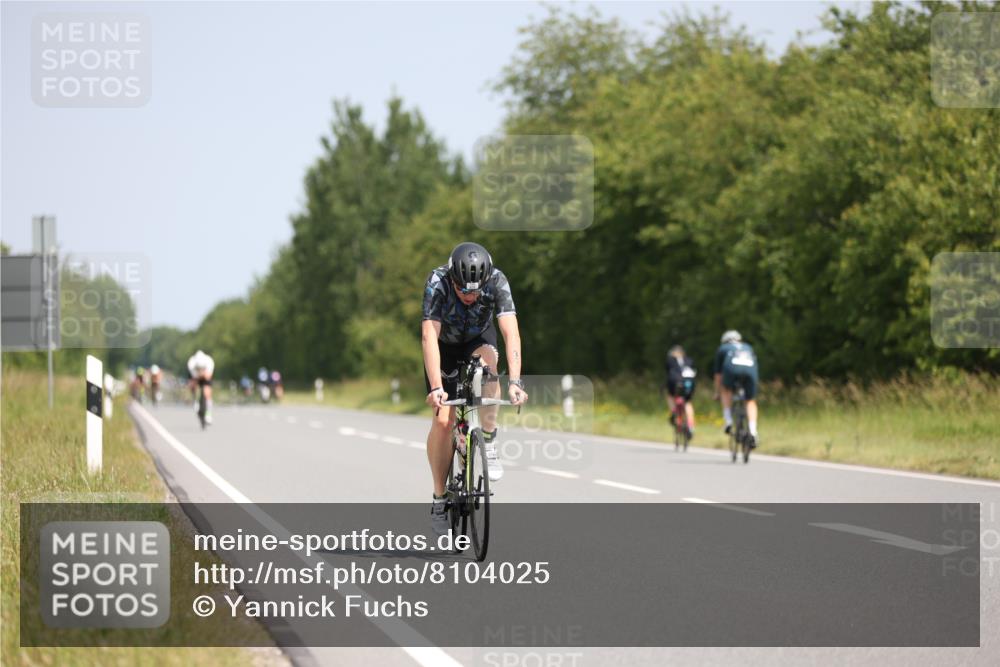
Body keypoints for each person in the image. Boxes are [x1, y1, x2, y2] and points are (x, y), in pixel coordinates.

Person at [422, 242, 528, 536]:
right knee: (443, 420)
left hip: (478, 339)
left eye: (475, 291)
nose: (470, 297)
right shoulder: (437, 283)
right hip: (444, 347)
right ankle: (439, 497)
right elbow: (429, 336)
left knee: (489, 370)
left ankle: (489, 442)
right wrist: (436, 387)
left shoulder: (496, 280)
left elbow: (511, 332)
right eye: (463, 291)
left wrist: (516, 382)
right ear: (453, 280)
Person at [712, 330, 759, 447]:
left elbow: (718, 375)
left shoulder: (723, 348)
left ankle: (728, 421)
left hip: (731, 369)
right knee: (750, 400)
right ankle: (753, 431)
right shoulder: (748, 346)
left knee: (726, 390)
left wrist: (717, 391)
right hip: (750, 370)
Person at [665, 345, 697, 438]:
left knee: (670, 396)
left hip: (674, 382)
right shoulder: (689, 360)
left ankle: (674, 411)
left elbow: (668, 373)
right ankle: (690, 426)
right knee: (687, 402)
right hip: (689, 382)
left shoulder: (670, 360)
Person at [187, 350, 216, 424]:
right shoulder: (191, 363)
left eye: (202, 368)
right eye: (199, 368)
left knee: (207, 392)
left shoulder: (209, 362)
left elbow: (208, 377)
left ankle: (208, 414)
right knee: (193, 386)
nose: (200, 370)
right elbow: (194, 379)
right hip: (195, 377)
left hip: (206, 376)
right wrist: (197, 379)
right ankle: (195, 401)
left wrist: (203, 374)